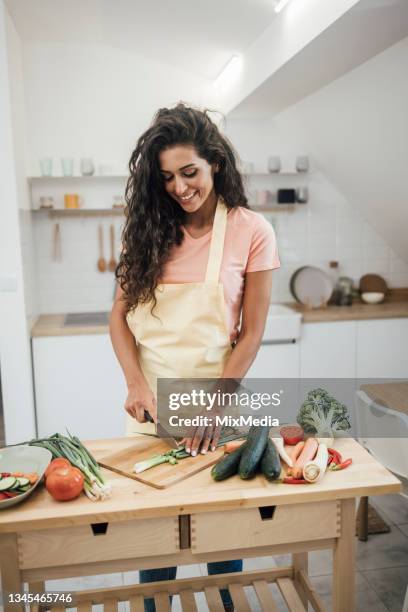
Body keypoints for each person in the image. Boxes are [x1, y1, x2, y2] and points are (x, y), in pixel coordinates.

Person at [109, 103, 280, 612]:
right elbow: (117, 318)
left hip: (217, 411)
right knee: (157, 552)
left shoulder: (252, 231)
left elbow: (249, 336)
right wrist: (136, 385)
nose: (180, 188)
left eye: (190, 173)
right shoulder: (148, 231)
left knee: (221, 550)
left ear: (216, 165)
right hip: (151, 414)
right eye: (167, 178)